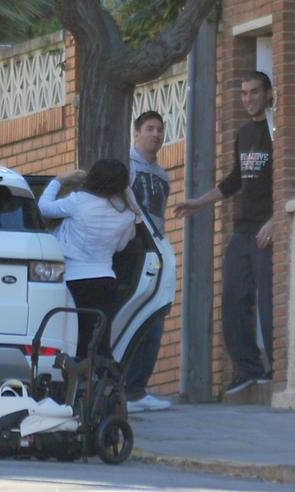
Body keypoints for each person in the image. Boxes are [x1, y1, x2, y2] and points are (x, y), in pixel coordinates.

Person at [174, 71, 274, 395]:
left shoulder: (276, 130)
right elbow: (235, 180)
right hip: (241, 231)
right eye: (244, 93)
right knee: (232, 301)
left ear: (269, 93)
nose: (249, 99)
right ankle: (247, 369)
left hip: (267, 230)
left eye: (255, 92)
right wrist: (199, 203)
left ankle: (279, 370)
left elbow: (288, 174)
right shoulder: (244, 133)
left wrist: (276, 221)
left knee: (270, 304)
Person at [38, 159, 137, 360]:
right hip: (105, 281)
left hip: (74, 280)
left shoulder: (78, 201)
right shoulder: (126, 214)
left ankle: (72, 384)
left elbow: (43, 208)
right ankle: (99, 381)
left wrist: (59, 180)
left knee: (72, 337)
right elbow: (120, 247)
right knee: (98, 339)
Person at [125, 111, 172, 413]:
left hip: (154, 253)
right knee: (132, 318)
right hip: (130, 252)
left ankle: (137, 390)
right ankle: (125, 389)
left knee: (154, 317)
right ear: (136, 133)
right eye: (149, 129)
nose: (155, 134)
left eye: (159, 129)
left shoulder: (162, 175)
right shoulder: (126, 166)